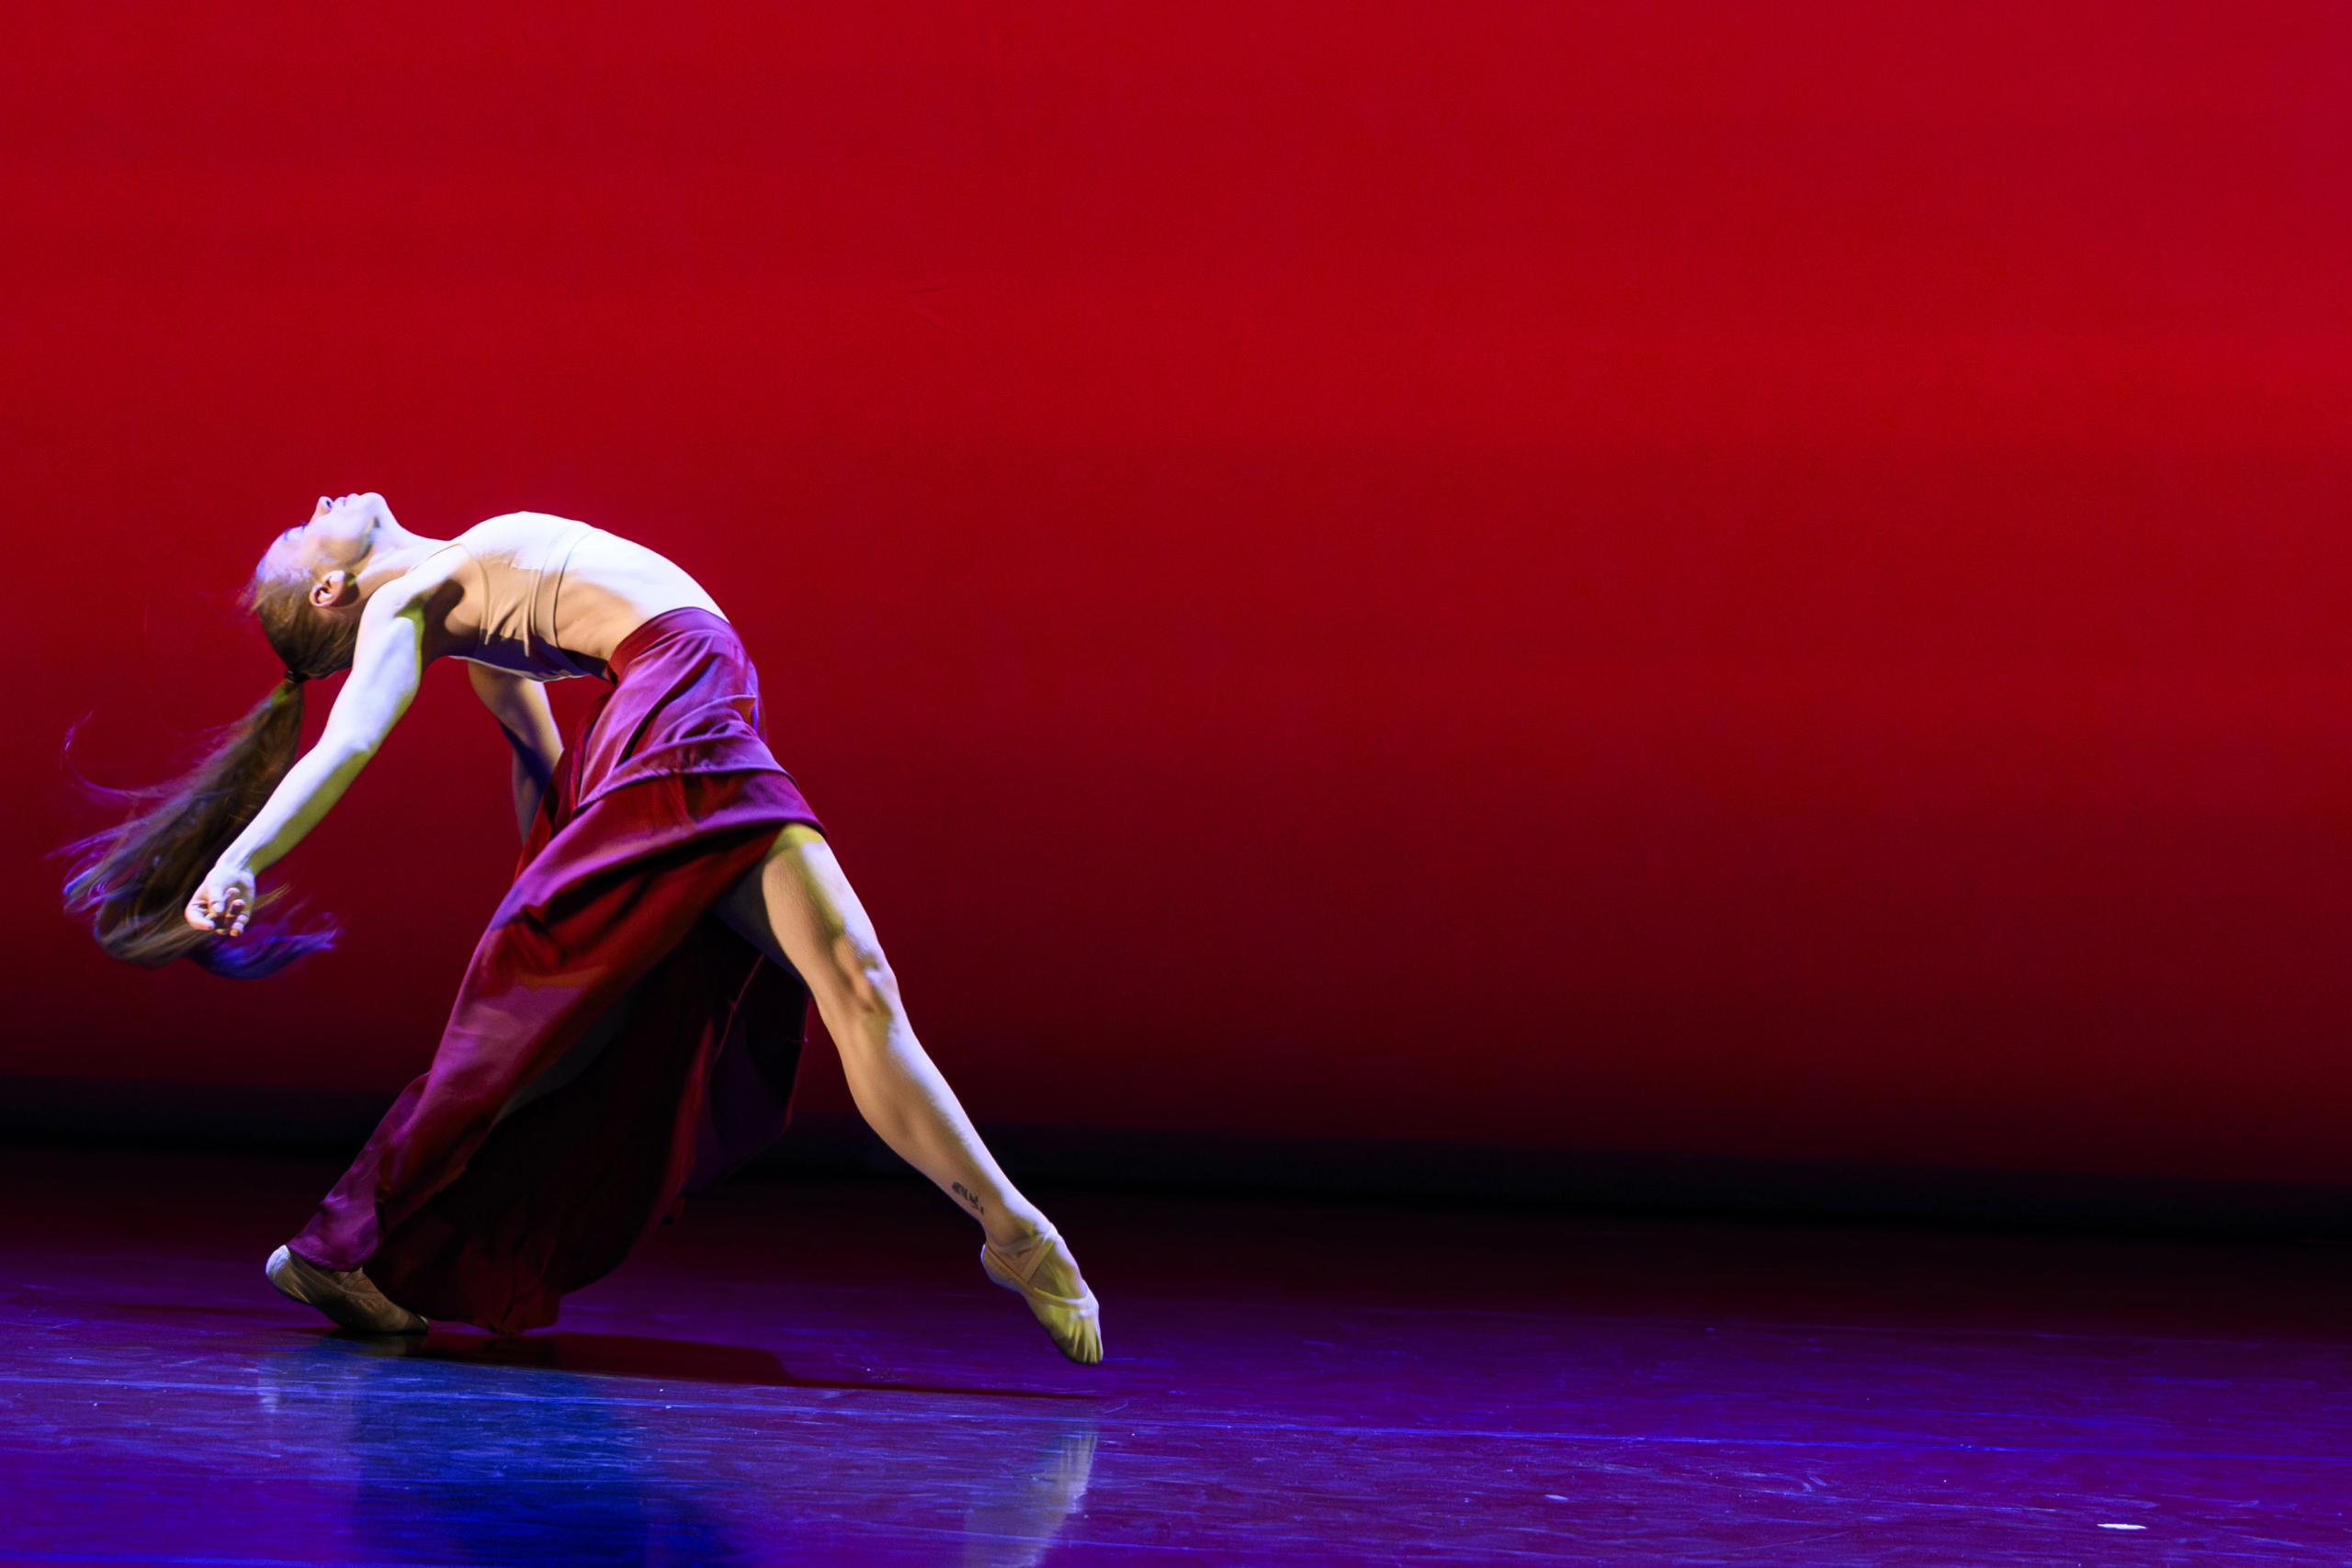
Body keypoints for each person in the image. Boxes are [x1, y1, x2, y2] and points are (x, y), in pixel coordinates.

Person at [62, 493, 1101, 1362]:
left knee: (846, 982)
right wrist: (241, 858)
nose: (321, 501)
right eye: (302, 531)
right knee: (836, 979)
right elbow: (348, 745)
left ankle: (346, 1246)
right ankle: (1014, 1228)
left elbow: (544, 771)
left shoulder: (471, 609)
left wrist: (570, 928)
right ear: (330, 588)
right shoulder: (407, 604)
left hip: (673, 717)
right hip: (675, 712)